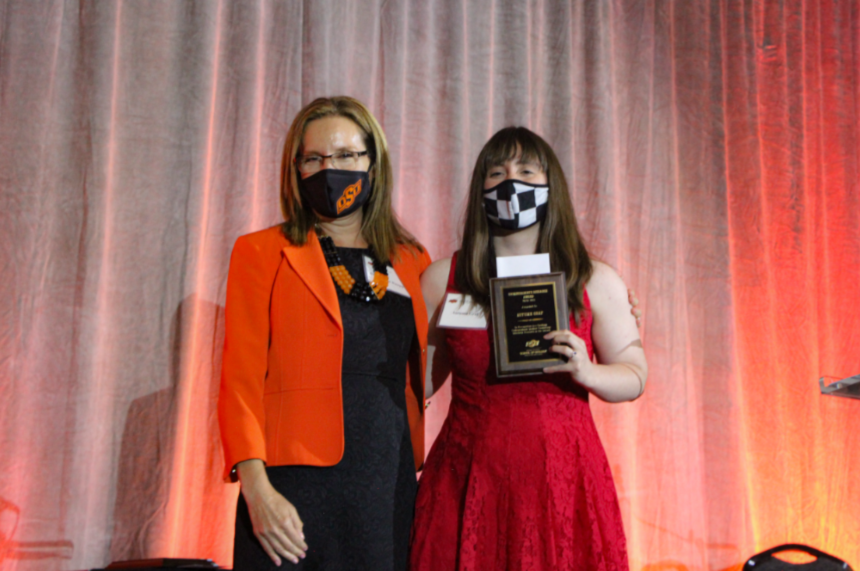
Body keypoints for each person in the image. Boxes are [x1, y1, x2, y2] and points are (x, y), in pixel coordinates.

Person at [409, 127, 647, 570]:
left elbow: (635, 375)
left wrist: (587, 370)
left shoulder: (593, 279)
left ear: (550, 185)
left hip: (564, 480)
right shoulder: (444, 279)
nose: (509, 182)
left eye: (525, 170)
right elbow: (414, 386)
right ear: (479, 188)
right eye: (496, 171)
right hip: (466, 478)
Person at [218, 96, 431, 570]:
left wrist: (598, 301)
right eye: (313, 158)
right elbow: (241, 383)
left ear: (372, 163)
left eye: (345, 156)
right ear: (295, 170)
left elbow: (456, 340)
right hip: (292, 492)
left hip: (387, 484)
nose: (328, 169)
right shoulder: (261, 253)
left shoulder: (413, 260)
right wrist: (257, 491)